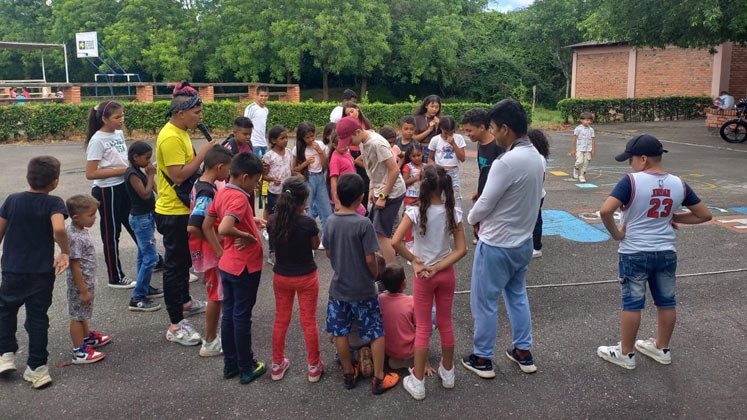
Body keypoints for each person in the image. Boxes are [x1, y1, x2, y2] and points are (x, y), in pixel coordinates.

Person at [596, 134, 712, 370]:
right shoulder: (679, 183)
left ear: (644, 159)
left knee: (632, 303)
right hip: (666, 251)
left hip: (634, 251)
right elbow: (704, 215)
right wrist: (674, 216)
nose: (631, 164)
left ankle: (625, 353)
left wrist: (617, 234)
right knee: (666, 302)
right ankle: (662, 348)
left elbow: (606, 211)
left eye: (632, 159)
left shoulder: (631, 181)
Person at [462, 99, 545, 378]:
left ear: (506, 129)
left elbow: (484, 205)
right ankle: (523, 351)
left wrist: (471, 218)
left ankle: (482, 358)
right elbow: (539, 197)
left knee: (484, 301)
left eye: (495, 128)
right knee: (516, 296)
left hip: (496, 244)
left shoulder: (506, 161)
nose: (493, 134)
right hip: (523, 243)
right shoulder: (537, 157)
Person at [392, 165, 467, 400]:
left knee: (423, 327)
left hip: (423, 276)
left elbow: (395, 242)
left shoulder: (414, 212)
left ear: (422, 185)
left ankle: (418, 381)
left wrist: (416, 261)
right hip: (445, 274)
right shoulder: (452, 211)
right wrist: (438, 267)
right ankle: (448, 372)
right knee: (445, 323)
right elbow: (462, 249)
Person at [323, 173, 400, 394]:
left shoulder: (330, 221)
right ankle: (378, 378)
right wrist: (374, 274)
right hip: (363, 289)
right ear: (361, 197)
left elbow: (328, 251)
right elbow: (369, 258)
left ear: (338, 195)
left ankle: (348, 373)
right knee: (375, 331)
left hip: (339, 288)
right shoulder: (364, 223)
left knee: (340, 330)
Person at [0, 156, 70, 389]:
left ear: (28, 177)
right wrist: (64, 252)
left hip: (12, 269)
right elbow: (59, 227)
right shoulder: (54, 203)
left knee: (6, 311)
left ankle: (5, 354)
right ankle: (37, 369)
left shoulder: (12, 200)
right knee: (38, 318)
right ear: (55, 182)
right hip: (40, 272)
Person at [156, 83, 216, 346]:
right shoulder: (170, 137)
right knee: (174, 266)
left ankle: (186, 302)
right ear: (181, 113)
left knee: (183, 264)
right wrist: (204, 152)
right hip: (173, 211)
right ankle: (175, 324)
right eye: (196, 112)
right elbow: (178, 175)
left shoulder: (180, 131)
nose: (199, 117)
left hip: (184, 208)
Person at [204, 152, 267, 384]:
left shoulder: (222, 191)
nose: (256, 186)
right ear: (245, 177)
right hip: (245, 267)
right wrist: (248, 236)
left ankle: (230, 364)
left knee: (229, 314)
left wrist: (220, 251)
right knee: (242, 317)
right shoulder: (240, 198)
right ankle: (247, 366)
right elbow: (225, 228)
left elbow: (207, 224)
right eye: (255, 181)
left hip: (228, 264)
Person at [266, 177, 324, 382]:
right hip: (306, 276)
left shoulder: (273, 220)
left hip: (281, 276)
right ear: (303, 201)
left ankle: (277, 363)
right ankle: (314, 366)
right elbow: (315, 246)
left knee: (281, 320)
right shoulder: (307, 223)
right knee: (308, 321)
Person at [337, 116, 406, 264]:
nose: (349, 145)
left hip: (392, 192)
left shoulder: (377, 143)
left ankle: (391, 272)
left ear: (357, 131)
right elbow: (372, 169)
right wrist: (373, 188)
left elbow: (394, 170)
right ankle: (384, 266)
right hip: (381, 189)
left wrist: (382, 196)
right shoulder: (363, 142)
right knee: (376, 231)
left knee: (380, 234)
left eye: (349, 141)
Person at [85, 100, 138, 288]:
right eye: (117, 117)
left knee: (136, 223)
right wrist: (123, 170)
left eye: (122, 115)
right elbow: (90, 173)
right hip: (107, 190)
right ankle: (115, 276)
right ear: (104, 119)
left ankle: (153, 259)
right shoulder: (97, 140)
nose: (121, 120)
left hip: (123, 186)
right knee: (111, 233)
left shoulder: (118, 133)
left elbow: (121, 160)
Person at [188, 147, 233, 357]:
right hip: (210, 252)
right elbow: (194, 225)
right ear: (220, 167)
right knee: (216, 296)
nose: (229, 174)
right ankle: (210, 340)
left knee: (217, 294)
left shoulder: (200, 183)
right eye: (229, 169)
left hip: (208, 249)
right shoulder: (207, 191)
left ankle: (214, 337)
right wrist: (218, 248)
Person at [65, 194, 111, 365]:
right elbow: (74, 265)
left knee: (83, 312)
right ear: (77, 217)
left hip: (87, 281)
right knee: (77, 315)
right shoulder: (75, 237)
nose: (94, 218)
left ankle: (86, 338)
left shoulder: (78, 230)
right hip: (80, 283)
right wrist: (83, 290)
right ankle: (79, 351)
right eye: (91, 215)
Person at [124, 141, 163, 312]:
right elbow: (145, 194)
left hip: (146, 217)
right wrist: (150, 176)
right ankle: (137, 297)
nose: (149, 162)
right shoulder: (132, 174)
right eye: (146, 158)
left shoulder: (139, 170)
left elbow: (155, 191)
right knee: (151, 258)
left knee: (143, 254)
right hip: (141, 219)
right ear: (136, 157)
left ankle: (145, 287)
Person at [377, 263, 434, 374]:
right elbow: (420, 329)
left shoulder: (380, 299)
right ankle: (412, 359)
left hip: (389, 350)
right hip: (408, 350)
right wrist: (425, 363)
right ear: (404, 283)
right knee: (430, 321)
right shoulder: (411, 301)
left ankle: (397, 359)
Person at [461, 108, 505, 245]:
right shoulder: (480, 144)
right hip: (484, 192)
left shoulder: (498, 147)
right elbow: (484, 171)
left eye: (469, 130)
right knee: (481, 227)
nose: (467, 134)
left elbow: (503, 177)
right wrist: (479, 190)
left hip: (495, 196)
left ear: (481, 127)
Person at [292, 122, 332, 245]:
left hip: (320, 178)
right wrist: (305, 163)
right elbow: (294, 169)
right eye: (307, 137)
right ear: (301, 138)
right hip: (308, 179)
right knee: (307, 210)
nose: (311, 139)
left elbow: (326, 166)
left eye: (312, 136)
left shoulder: (320, 145)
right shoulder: (298, 149)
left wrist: (320, 152)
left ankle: (326, 240)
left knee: (326, 210)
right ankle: (307, 240)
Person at [262, 125, 292, 265]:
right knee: (275, 222)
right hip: (273, 192)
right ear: (273, 140)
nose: (285, 140)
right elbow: (263, 176)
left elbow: (290, 170)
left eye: (286, 137)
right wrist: (272, 179)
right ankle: (272, 252)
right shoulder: (268, 156)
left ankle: (285, 248)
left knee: (287, 221)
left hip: (287, 192)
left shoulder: (289, 152)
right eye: (282, 138)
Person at [427, 116, 466, 208]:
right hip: (439, 172)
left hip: (453, 172)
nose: (448, 135)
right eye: (445, 132)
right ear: (440, 128)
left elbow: (462, 158)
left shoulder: (458, 138)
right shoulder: (435, 140)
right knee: (439, 196)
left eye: (451, 132)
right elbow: (430, 159)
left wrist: (453, 144)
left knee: (456, 197)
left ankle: (457, 219)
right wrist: (435, 168)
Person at [341, 102, 373, 211]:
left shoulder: (365, 123)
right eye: (347, 114)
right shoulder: (346, 125)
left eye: (352, 111)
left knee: (365, 179)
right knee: (354, 181)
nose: (350, 115)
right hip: (351, 153)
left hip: (363, 152)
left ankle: (363, 208)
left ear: (357, 109)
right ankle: (354, 207)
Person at [329, 126, 366, 215]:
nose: (346, 147)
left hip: (352, 191)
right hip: (344, 195)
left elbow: (353, 163)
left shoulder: (346, 153)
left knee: (362, 212)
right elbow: (333, 181)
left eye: (347, 144)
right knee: (359, 212)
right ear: (334, 145)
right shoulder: (335, 159)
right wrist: (337, 201)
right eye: (342, 145)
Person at [527, 129, 550, 258]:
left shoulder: (539, 158)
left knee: (536, 220)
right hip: (533, 194)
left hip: (536, 195)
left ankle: (536, 247)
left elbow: (541, 178)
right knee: (531, 219)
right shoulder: (533, 156)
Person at [401, 143, 424, 246]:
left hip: (422, 196)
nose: (416, 158)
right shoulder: (407, 167)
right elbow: (404, 182)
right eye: (413, 156)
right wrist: (416, 177)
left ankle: (420, 239)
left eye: (418, 155)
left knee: (421, 218)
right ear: (409, 156)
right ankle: (408, 241)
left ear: (422, 154)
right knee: (409, 219)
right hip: (410, 196)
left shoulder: (426, 166)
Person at [413, 95, 442, 163]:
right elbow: (414, 139)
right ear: (426, 106)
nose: (434, 109)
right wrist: (429, 129)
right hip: (422, 149)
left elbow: (446, 136)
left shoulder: (440, 119)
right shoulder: (417, 119)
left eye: (437, 107)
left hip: (438, 150)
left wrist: (439, 125)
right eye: (432, 106)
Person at [244, 86, 270, 158]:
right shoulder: (251, 108)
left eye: (265, 96)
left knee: (265, 166)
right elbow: (245, 124)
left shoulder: (266, 110)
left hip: (263, 143)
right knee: (256, 166)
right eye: (261, 96)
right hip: (254, 143)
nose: (263, 98)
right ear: (257, 96)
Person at [570, 111, 596, 183]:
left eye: (590, 120)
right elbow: (574, 139)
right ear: (582, 120)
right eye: (587, 120)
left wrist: (593, 150)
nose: (589, 122)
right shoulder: (578, 129)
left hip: (588, 149)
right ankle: (576, 168)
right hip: (579, 148)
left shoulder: (591, 130)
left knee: (585, 163)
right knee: (579, 161)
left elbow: (593, 140)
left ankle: (581, 175)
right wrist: (573, 149)